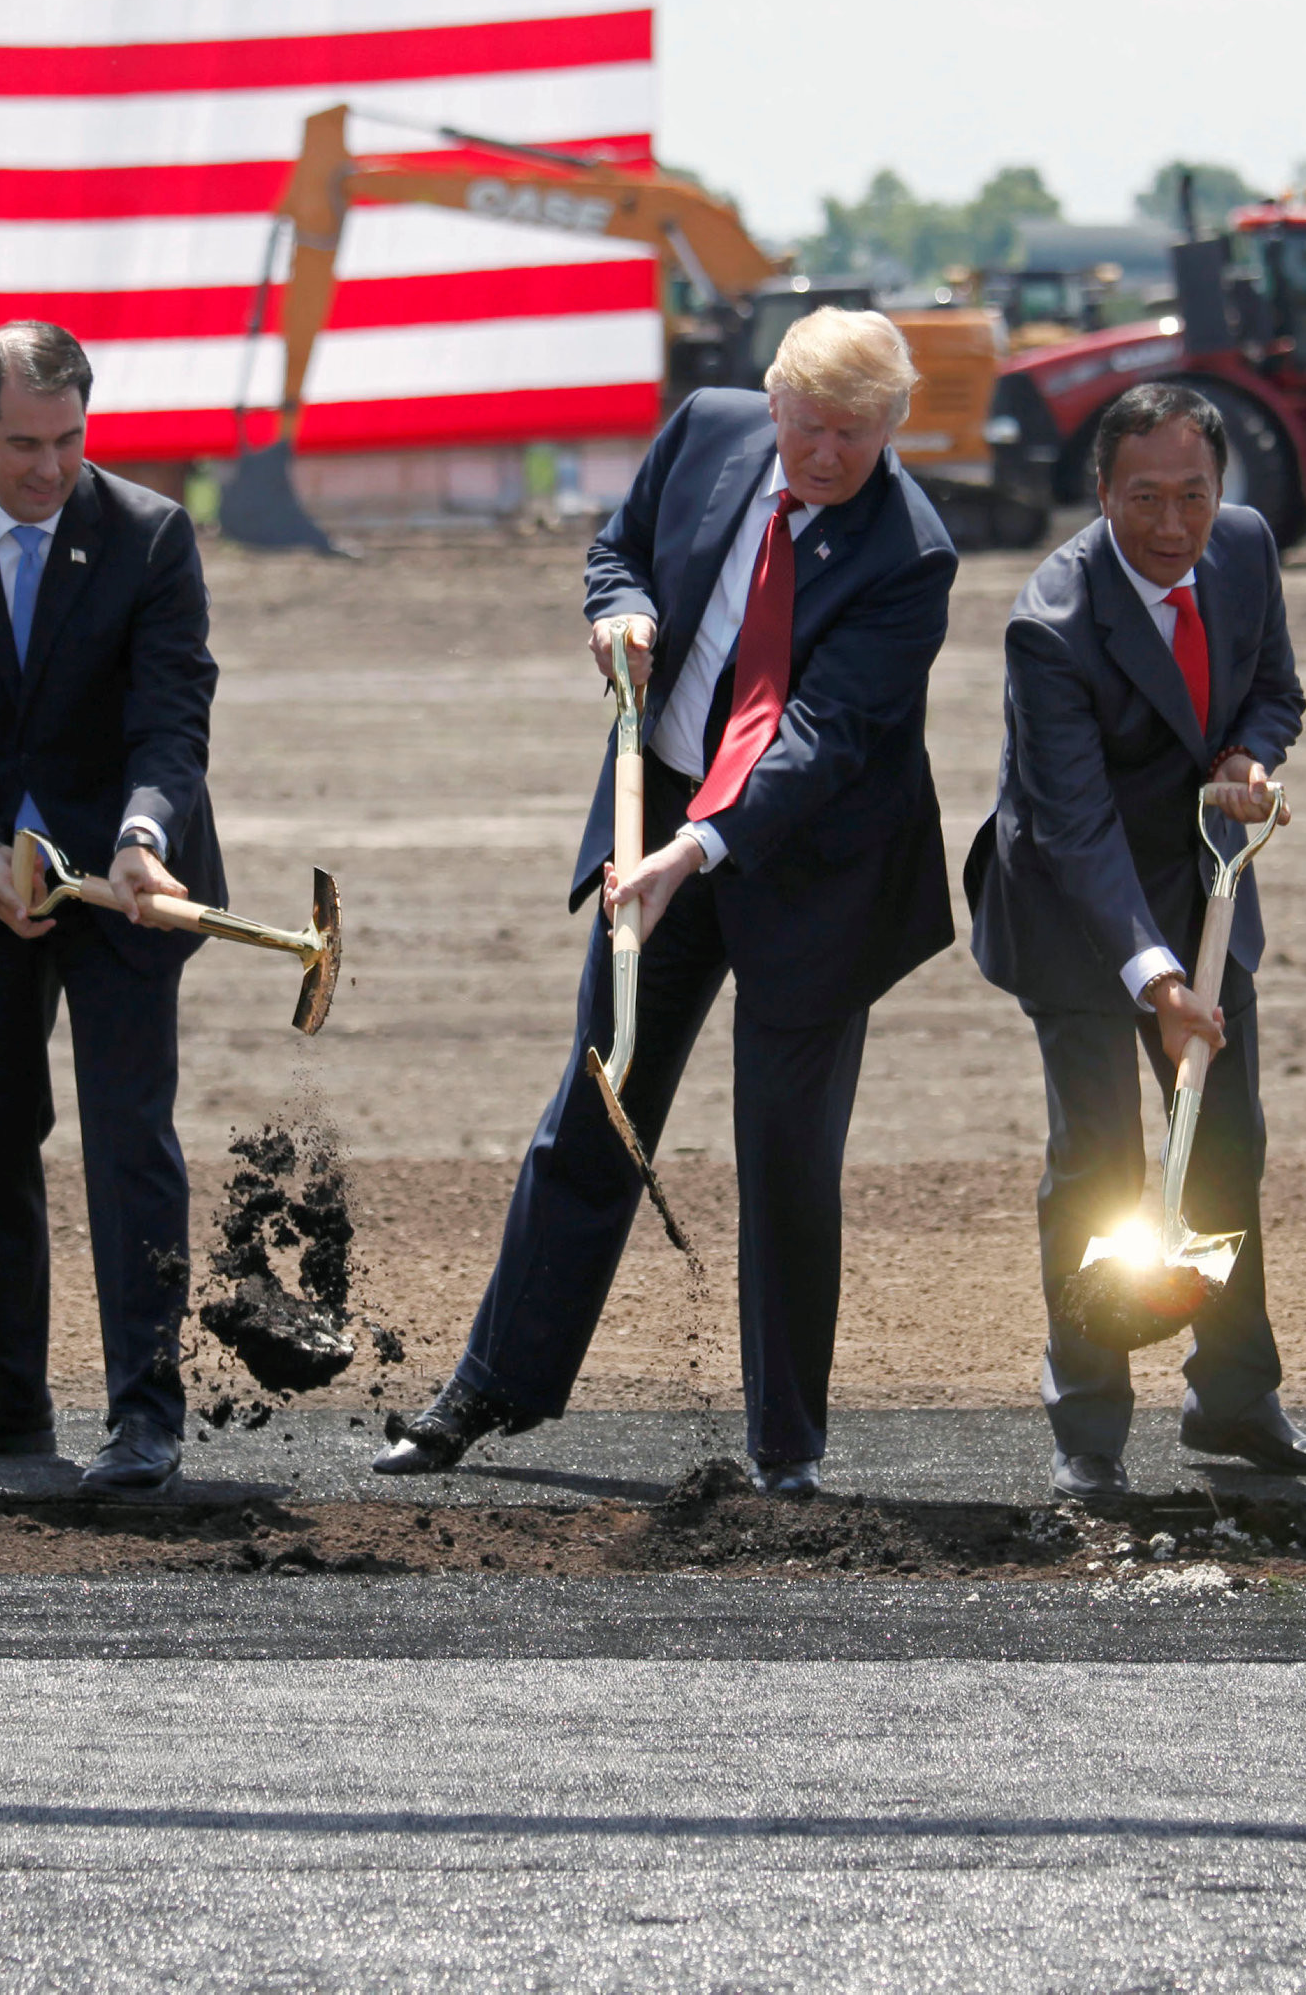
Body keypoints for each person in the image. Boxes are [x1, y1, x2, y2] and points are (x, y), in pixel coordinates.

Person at [372, 311, 956, 1497]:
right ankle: (491, 1385)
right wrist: (618, 608)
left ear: (893, 429)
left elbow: (821, 741)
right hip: (660, 819)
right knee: (595, 1106)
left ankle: (784, 1447)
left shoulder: (911, 553)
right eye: (807, 428)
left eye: (854, 436)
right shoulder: (706, 432)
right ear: (769, 400)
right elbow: (616, 546)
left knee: (785, 1159)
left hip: (807, 871)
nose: (825, 456)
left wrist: (698, 849)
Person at [0, 321, 224, 1499]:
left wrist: (138, 838)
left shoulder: (150, 534)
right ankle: (9, 1392)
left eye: (69, 440)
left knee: (130, 1145)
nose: (50, 469)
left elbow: (170, 715)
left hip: (127, 886)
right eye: (23, 444)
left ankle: (144, 1412)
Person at [963, 380, 1306, 1502]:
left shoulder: (1244, 549)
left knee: (1225, 1145)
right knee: (1101, 1164)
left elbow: (1275, 691)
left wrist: (1249, 759)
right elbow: (1071, 826)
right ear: (1099, 492)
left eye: (1192, 496)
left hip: (1200, 886)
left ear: (1221, 491)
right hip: (1074, 917)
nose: (1171, 526)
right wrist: (1156, 980)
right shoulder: (1049, 623)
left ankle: (1232, 1400)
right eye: (1142, 500)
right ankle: (1086, 1420)